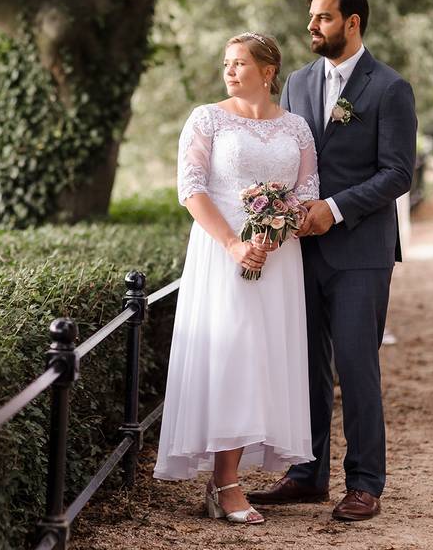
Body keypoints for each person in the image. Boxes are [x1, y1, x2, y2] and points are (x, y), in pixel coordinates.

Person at [248, 0, 417, 522]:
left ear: (353, 23)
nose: (311, 28)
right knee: (306, 367)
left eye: (323, 18)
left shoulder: (390, 88)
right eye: (311, 19)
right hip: (301, 252)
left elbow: (398, 173)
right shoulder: (296, 83)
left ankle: (365, 482)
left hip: (360, 252)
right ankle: (306, 475)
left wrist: (335, 209)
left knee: (356, 365)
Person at [153, 32, 319, 525]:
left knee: (263, 358)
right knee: (233, 354)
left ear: (268, 71)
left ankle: (228, 479)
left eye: (241, 63)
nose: (230, 71)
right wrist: (234, 244)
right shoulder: (206, 118)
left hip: (278, 257)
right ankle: (225, 484)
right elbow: (191, 188)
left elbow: (307, 192)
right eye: (226, 62)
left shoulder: (298, 128)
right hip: (221, 252)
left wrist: (275, 230)